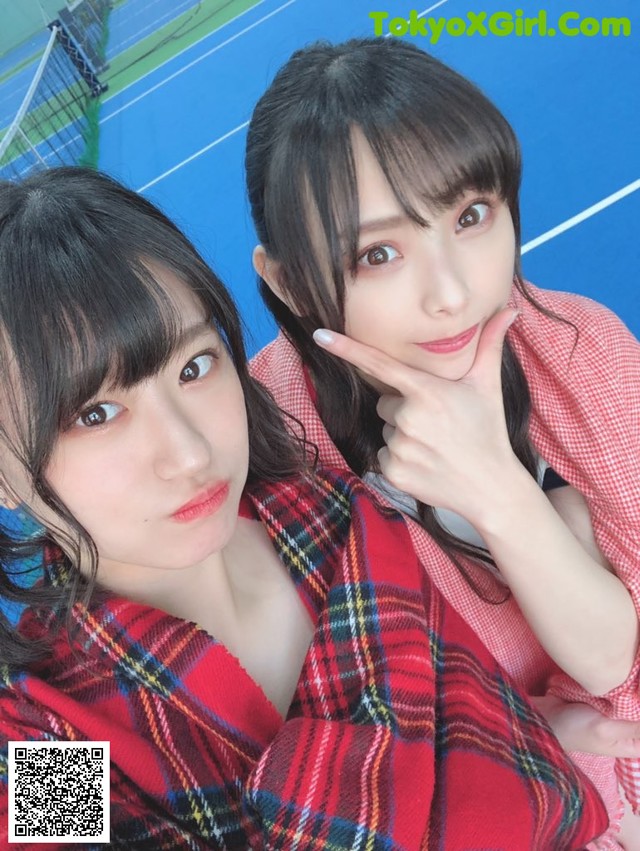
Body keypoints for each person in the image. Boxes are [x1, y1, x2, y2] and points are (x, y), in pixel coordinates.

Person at [0, 167, 607, 848]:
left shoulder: (337, 517)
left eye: (195, 367)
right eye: (97, 414)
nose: (191, 452)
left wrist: (519, 735)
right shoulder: (43, 741)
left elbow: (459, 727)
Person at [245, 37, 640, 849]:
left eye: (192, 369)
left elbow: (609, 665)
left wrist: (499, 489)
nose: (454, 293)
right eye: (93, 416)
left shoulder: (577, 353)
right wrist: (508, 745)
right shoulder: (45, 714)